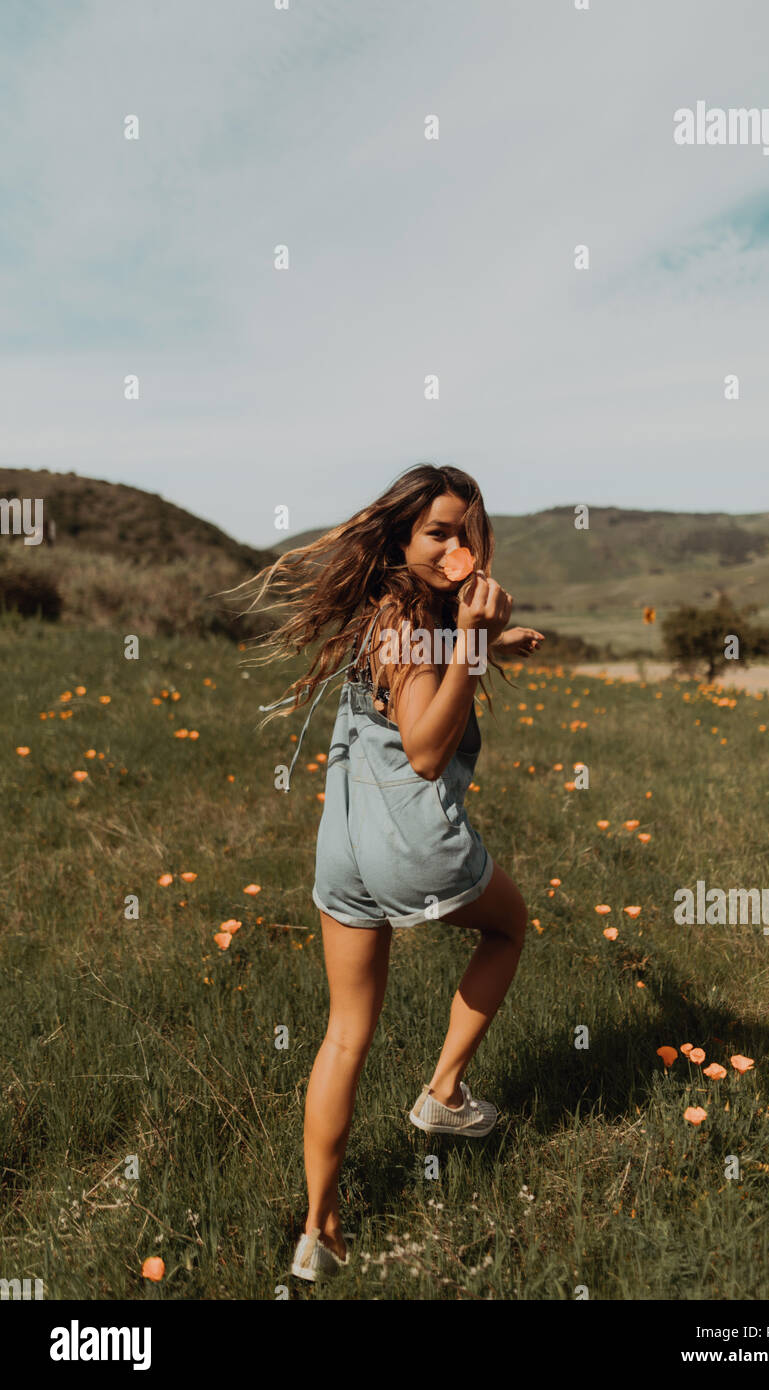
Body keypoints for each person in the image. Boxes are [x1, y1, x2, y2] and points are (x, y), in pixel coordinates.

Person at [231, 464, 544, 1282]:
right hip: (411, 840)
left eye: (468, 530)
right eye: (439, 531)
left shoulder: (395, 612)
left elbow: (408, 667)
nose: (460, 546)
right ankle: (443, 1091)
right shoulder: (413, 615)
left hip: (345, 842)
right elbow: (427, 747)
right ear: (403, 539)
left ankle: (321, 1231)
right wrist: (475, 642)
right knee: (510, 926)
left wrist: (483, 639)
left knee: (345, 1034)